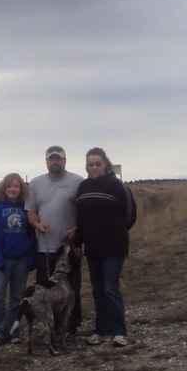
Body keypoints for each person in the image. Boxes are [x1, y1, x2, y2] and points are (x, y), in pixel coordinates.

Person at [74, 147, 137, 348]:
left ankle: (119, 332)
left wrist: (115, 232)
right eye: (90, 164)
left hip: (114, 248)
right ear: (87, 166)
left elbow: (130, 215)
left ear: (105, 164)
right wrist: (78, 242)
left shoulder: (117, 186)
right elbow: (80, 219)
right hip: (92, 248)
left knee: (111, 289)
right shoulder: (83, 187)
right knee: (97, 290)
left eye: (98, 164)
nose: (94, 167)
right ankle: (101, 330)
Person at [25, 145, 83, 333]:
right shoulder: (35, 183)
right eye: (52, 159)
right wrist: (36, 224)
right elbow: (31, 211)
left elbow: (85, 211)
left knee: (71, 287)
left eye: (59, 159)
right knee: (47, 288)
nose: (55, 162)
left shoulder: (77, 181)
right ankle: (51, 326)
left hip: (69, 247)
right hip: (45, 247)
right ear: (46, 162)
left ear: (65, 161)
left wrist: (77, 230)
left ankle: (72, 325)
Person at [0, 172, 36, 345]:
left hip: (21, 260)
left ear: (21, 189)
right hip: (2, 261)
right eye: (9, 186)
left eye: (16, 186)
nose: (12, 189)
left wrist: (31, 258)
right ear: (4, 188)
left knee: (17, 298)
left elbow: (31, 235)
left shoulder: (25, 209)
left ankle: (13, 331)